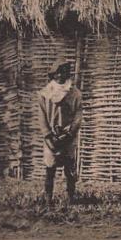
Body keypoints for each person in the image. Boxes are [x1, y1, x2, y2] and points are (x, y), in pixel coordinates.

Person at [38, 60, 83, 205]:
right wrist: (48, 135)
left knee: (69, 167)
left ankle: (71, 198)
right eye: (59, 71)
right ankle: (48, 198)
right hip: (51, 135)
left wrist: (70, 133)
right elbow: (42, 116)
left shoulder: (74, 93)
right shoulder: (45, 94)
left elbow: (78, 115)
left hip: (68, 135)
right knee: (50, 167)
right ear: (53, 74)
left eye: (65, 71)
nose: (62, 74)